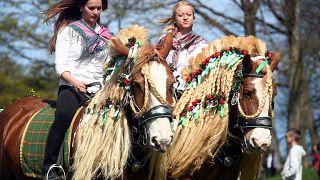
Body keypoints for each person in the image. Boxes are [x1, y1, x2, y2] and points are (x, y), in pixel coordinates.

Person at [42, 0, 112, 179]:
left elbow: (108, 66)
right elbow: (61, 67)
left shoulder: (107, 36)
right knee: (63, 117)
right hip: (72, 87)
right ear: (81, 7)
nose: (95, 12)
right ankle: (50, 166)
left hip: (99, 90)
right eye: (91, 8)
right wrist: (74, 82)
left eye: (98, 8)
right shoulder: (68, 31)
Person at [157, 1, 208, 97]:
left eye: (189, 15)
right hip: (164, 94)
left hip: (188, 95)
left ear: (193, 18)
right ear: (174, 19)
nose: (185, 18)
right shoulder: (163, 40)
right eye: (180, 15)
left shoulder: (202, 45)